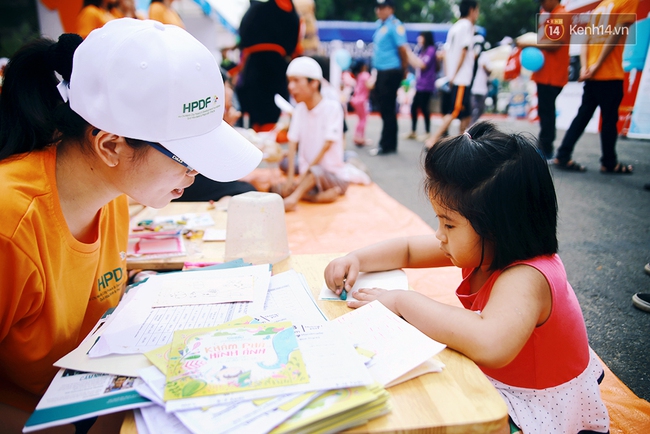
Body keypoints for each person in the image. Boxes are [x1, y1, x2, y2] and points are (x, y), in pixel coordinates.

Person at [0, 18, 262, 432]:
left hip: (96, 403)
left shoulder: (112, 196)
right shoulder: (9, 225)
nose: (195, 176)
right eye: (186, 160)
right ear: (109, 145)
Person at [324, 121, 609, 434]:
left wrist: (402, 301)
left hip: (535, 408)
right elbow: (406, 249)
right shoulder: (483, 246)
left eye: (448, 224)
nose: (439, 235)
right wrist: (355, 259)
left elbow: (490, 343)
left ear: (496, 228)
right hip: (504, 384)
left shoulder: (527, 277)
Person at [553, 0, 638, 173]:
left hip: (591, 75)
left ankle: (563, 154)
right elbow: (615, 34)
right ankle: (609, 162)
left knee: (583, 116)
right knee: (609, 120)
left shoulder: (600, 7)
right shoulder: (627, 1)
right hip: (609, 73)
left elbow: (586, 39)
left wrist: (586, 68)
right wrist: (597, 65)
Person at [275, 56, 349, 212]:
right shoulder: (300, 110)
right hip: (306, 176)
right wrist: (289, 180)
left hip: (330, 176)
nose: (290, 87)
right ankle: (314, 197)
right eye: (289, 81)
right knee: (284, 163)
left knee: (315, 171)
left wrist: (302, 177)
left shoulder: (333, 108)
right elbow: (292, 142)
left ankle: (294, 198)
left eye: (296, 81)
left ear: (314, 83)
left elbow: (327, 145)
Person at [517, 0, 570, 160]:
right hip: (546, 74)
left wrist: (530, 43)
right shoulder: (552, 15)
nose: (541, 4)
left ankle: (546, 149)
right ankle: (545, 147)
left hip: (551, 75)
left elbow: (555, 44)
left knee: (547, 113)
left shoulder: (560, 14)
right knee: (545, 112)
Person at [425, 0, 479, 149]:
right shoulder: (467, 26)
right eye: (477, 10)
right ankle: (433, 140)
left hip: (457, 77)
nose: (477, 14)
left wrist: (449, 75)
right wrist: (454, 75)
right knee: (455, 110)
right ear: (472, 9)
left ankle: (463, 143)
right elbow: (463, 51)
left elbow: (446, 54)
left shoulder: (454, 27)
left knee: (466, 113)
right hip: (462, 78)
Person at [369, 0, 409, 156]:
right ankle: (389, 144)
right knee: (386, 108)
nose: (379, 10)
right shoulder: (381, 25)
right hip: (382, 71)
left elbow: (402, 49)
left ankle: (386, 144)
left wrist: (404, 69)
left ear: (391, 9)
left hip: (391, 71)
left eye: (382, 7)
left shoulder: (395, 25)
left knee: (387, 108)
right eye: (377, 7)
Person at [407, 31, 437, 141]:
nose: (419, 39)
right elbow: (416, 64)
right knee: (414, 107)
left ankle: (427, 132)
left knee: (424, 108)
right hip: (420, 85)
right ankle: (413, 131)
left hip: (426, 85)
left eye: (421, 36)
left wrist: (409, 53)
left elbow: (422, 65)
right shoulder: (423, 51)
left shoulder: (430, 50)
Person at [469, 33, 491, 126]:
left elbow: (490, 71)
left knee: (480, 108)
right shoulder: (469, 56)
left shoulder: (484, 56)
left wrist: (485, 67)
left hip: (482, 87)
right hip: (471, 87)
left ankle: (473, 125)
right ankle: (469, 127)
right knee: (471, 109)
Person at [350, 59, 373, 147]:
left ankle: (357, 136)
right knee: (363, 119)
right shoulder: (365, 75)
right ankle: (360, 138)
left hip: (356, 99)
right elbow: (369, 86)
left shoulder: (359, 75)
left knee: (360, 119)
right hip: (362, 100)